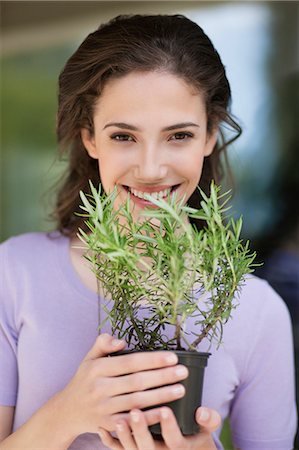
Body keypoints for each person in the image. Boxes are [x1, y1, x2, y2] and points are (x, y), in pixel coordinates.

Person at [0, 14, 296, 450]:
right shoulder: (14, 273)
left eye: (179, 135)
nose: (151, 169)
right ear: (90, 138)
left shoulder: (259, 313)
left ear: (211, 135)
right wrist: (68, 412)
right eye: (124, 137)